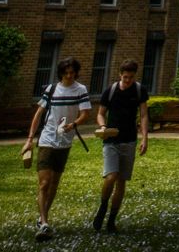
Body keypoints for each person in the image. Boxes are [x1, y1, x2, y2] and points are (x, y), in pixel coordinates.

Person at [24, 57, 92, 242]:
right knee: (44, 183)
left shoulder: (81, 89)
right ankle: (45, 223)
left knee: (54, 183)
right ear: (61, 73)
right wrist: (29, 139)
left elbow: (85, 113)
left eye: (72, 73)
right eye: (66, 73)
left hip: (65, 141)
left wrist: (74, 124)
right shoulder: (51, 89)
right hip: (47, 139)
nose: (69, 76)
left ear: (76, 73)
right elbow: (38, 114)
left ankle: (42, 217)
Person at [93, 59, 149, 233]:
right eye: (125, 77)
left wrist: (145, 138)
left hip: (129, 139)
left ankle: (111, 220)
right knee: (111, 176)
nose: (127, 81)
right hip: (111, 140)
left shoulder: (139, 91)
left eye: (131, 77)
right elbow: (101, 114)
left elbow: (144, 115)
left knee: (121, 181)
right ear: (120, 75)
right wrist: (103, 127)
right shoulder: (110, 91)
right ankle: (103, 207)